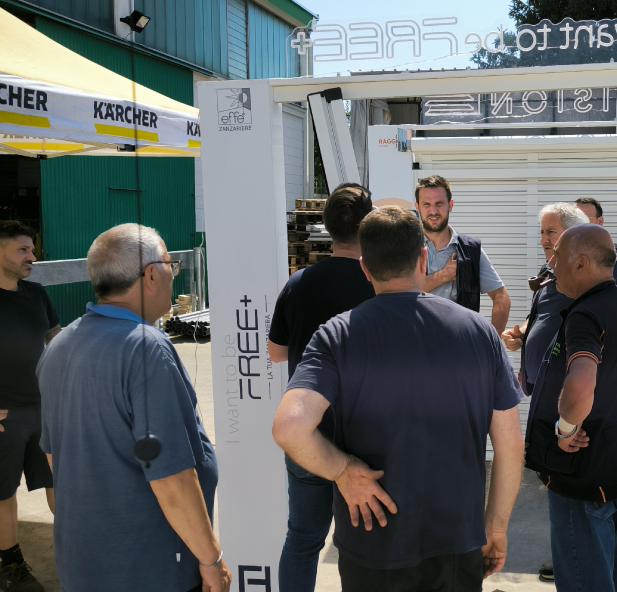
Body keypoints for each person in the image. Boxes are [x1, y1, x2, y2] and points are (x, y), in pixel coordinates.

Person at [272, 206, 525, 592]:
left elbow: (290, 428)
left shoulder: (336, 335)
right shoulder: (480, 332)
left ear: (365, 268)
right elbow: (509, 445)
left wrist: (341, 471)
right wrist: (496, 526)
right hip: (456, 540)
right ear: (423, 258)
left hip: (372, 541)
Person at [38, 224, 230, 592]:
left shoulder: (60, 346)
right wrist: (211, 559)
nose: (173, 275)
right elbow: (171, 477)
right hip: (148, 567)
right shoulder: (145, 349)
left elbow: (54, 459)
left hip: (86, 561)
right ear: (151, 275)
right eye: (171, 265)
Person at [502, 204, 617, 583]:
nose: (550, 265)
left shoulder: (586, 315)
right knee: (609, 567)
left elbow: (580, 384)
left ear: (582, 263)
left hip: (584, 473)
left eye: (558, 257)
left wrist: (563, 429)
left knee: (584, 576)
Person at [267, 183, 375, 592]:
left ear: (325, 227)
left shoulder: (300, 283)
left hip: (307, 434)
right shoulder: (377, 284)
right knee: (365, 546)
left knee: (303, 539)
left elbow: (276, 352)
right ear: (368, 228)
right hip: (365, 438)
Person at [503, 205, 617, 395]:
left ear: (573, 234)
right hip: (543, 387)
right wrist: (521, 333)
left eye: (551, 232)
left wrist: (605, 357)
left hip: (579, 391)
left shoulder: (599, 269)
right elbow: (541, 314)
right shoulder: (547, 271)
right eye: (542, 232)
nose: (543, 239)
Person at [0, 221, 60, 591]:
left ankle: (80, 548)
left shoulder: (37, 294)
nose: (32, 256)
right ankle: (10, 566)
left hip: (44, 410)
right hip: (5, 418)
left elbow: (56, 343)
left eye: (32, 249)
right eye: (23, 249)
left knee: (61, 483)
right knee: (4, 493)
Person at [415, 175, 511, 334]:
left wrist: (492, 342)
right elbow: (399, 293)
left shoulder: (471, 250)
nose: (433, 211)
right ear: (417, 207)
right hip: (415, 344)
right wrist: (444, 275)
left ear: (450, 205)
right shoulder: (405, 247)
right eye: (426, 204)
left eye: (439, 203)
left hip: (459, 345)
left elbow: (501, 297)